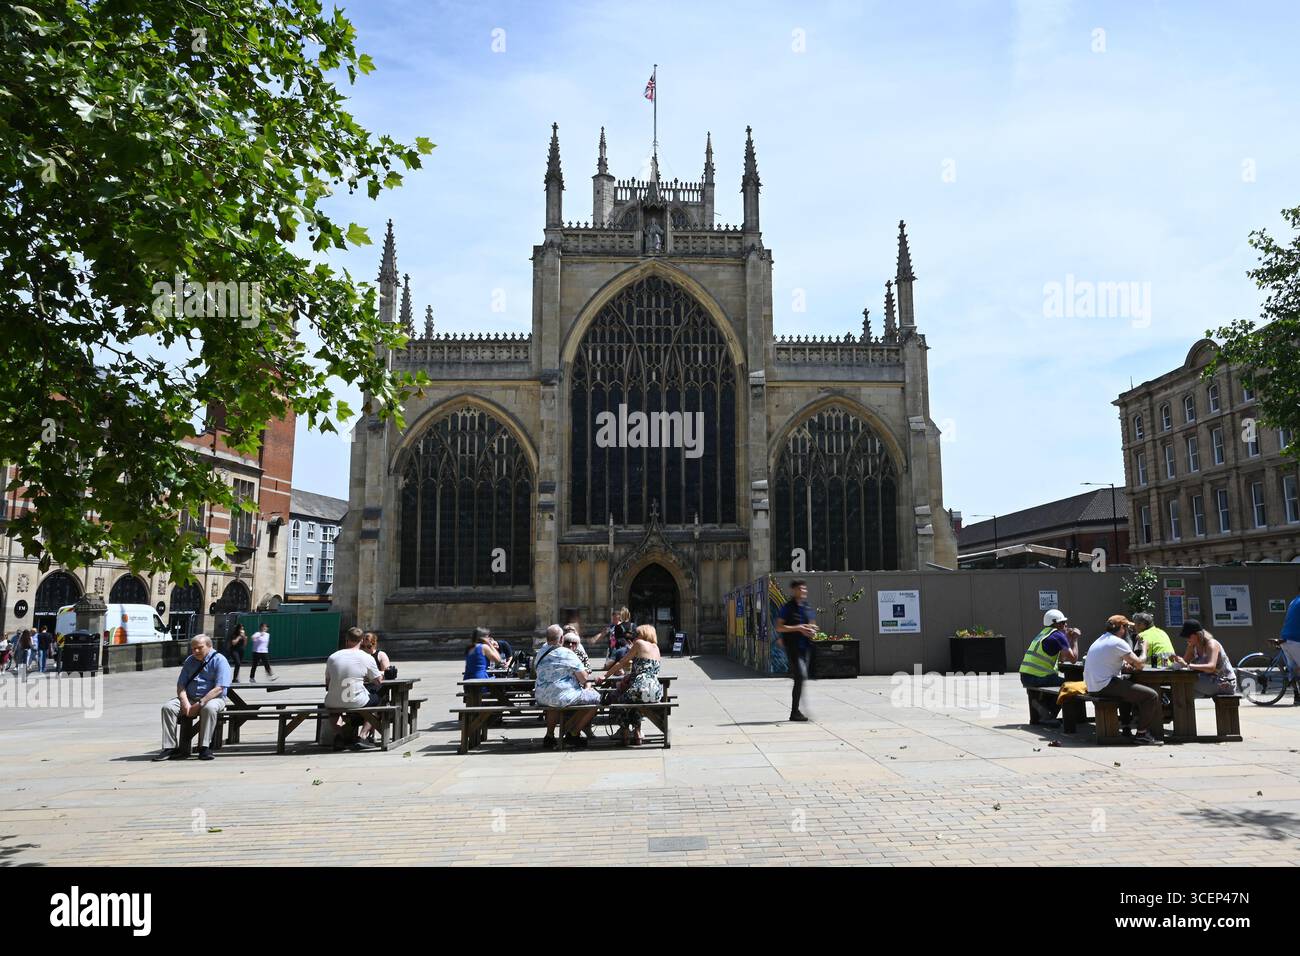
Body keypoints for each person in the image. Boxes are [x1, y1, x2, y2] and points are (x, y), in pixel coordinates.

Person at [1083, 614, 1161, 745]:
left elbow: (1112, 661)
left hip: (1093, 685)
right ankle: (1142, 734)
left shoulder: (1101, 639)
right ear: (1121, 628)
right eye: (1127, 628)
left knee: (1127, 689)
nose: (1128, 631)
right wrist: (1144, 649)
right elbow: (1140, 664)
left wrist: (1125, 666)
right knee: (1151, 696)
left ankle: (1126, 727)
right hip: (1105, 685)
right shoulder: (1118, 642)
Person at [155, 634, 232, 761]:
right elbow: (181, 685)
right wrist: (185, 703)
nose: (196, 651)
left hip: (214, 698)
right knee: (168, 707)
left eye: (199, 648)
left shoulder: (220, 660)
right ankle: (170, 747)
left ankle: (204, 747)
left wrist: (200, 703)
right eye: (193, 648)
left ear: (209, 646)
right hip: (190, 697)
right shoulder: (190, 660)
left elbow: (220, 688)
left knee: (209, 709)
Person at [534, 624, 600, 749]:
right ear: (561, 639)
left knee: (552, 703)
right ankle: (573, 733)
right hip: (562, 696)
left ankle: (549, 736)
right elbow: (583, 678)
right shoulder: (567, 653)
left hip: (541, 695)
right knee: (596, 698)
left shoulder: (540, 651)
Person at [602, 623, 663, 745]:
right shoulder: (656, 648)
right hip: (656, 691)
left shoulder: (639, 644)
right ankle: (637, 733)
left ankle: (625, 735)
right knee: (634, 702)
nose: (635, 637)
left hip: (641, 688)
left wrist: (604, 676)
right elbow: (647, 671)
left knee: (620, 700)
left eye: (637, 634)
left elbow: (621, 662)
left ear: (644, 634)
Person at [323, 627, 383, 750]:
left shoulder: (333, 657)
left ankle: (338, 735)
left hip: (332, 700)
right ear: (361, 641)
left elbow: (327, 683)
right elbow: (378, 681)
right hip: (357, 700)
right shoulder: (367, 657)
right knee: (378, 699)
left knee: (334, 706)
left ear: (346, 640)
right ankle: (363, 735)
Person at [1019, 609, 1079, 722]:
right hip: (1039, 677)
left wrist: (1068, 640)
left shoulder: (1043, 633)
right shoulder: (1058, 635)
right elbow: (1073, 659)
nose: (1066, 625)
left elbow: (1062, 658)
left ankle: (1042, 706)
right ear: (1056, 623)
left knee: (1056, 683)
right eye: (1063, 622)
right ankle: (1049, 714)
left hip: (1026, 677)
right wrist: (1075, 639)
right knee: (1069, 687)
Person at [775, 579, 817, 722]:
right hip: (793, 647)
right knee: (799, 676)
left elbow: (812, 625)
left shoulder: (807, 607)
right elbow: (779, 627)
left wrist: (812, 630)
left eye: (805, 589)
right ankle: (795, 712)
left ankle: (796, 710)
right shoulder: (788, 608)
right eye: (801, 589)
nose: (804, 591)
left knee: (800, 678)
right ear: (794, 590)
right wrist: (798, 628)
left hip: (806, 648)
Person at [1171, 620, 1237, 698]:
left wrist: (1187, 665)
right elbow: (1183, 664)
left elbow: (1211, 667)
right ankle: (1181, 709)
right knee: (1181, 692)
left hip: (1225, 683)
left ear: (1198, 635)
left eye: (1188, 636)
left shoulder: (1211, 644)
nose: (1186, 639)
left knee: (1185, 682)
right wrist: (1176, 661)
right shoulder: (1192, 646)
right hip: (1209, 680)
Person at [1280, 586, 1300, 704]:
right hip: (1296, 640)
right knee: (1296, 669)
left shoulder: (1294, 601)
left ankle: (1296, 696)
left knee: (1292, 667)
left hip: (1285, 638)